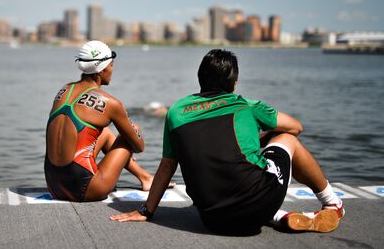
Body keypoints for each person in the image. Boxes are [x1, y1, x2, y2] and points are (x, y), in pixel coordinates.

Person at [111, 49, 345, 235]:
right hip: (257, 202)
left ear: (200, 79)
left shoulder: (176, 112)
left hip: (212, 218)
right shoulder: (245, 105)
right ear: (233, 83)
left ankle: (277, 216)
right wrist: (261, 136)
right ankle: (333, 204)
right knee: (287, 138)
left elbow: (167, 166)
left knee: (231, 179)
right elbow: (296, 127)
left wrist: (147, 210)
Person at [44, 40, 155, 202]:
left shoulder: (64, 90)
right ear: (101, 70)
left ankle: (145, 177)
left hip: (54, 186)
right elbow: (138, 147)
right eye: (111, 64)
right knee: (131, 132)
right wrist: (132, 136)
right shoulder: (111, 103)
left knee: (104, 132)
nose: (112, 69)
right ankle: (146, 178)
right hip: (85, 190)